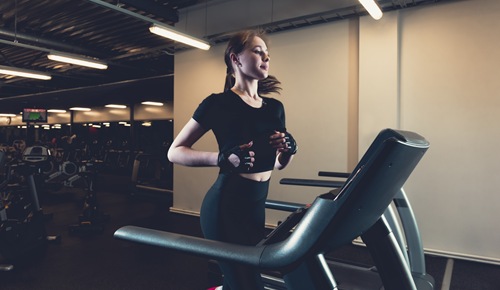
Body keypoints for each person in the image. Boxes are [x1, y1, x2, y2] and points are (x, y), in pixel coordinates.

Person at [167, 30, 298, 290]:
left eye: (267, 54)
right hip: (225, 207)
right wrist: (222, 158)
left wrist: (288, 151)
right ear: (235, 58)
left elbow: (276, 165)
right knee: (245, 283)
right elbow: (175, 151)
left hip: (255, 206)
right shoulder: (218, 104)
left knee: (245, 279)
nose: (266, 58)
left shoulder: (275, 108)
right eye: (258, 51)